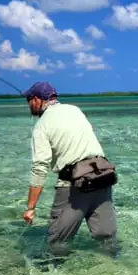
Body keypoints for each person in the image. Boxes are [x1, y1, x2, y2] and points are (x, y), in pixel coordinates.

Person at [21, 81, 118, 258]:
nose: (28, 104)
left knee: (57, 242)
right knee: (107, 239)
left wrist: (31, 207)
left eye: (28, 99)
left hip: (73, 186)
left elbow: (39, 168)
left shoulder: (41, 126)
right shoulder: (75, 110)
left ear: (36, 100)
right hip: (102, 178)